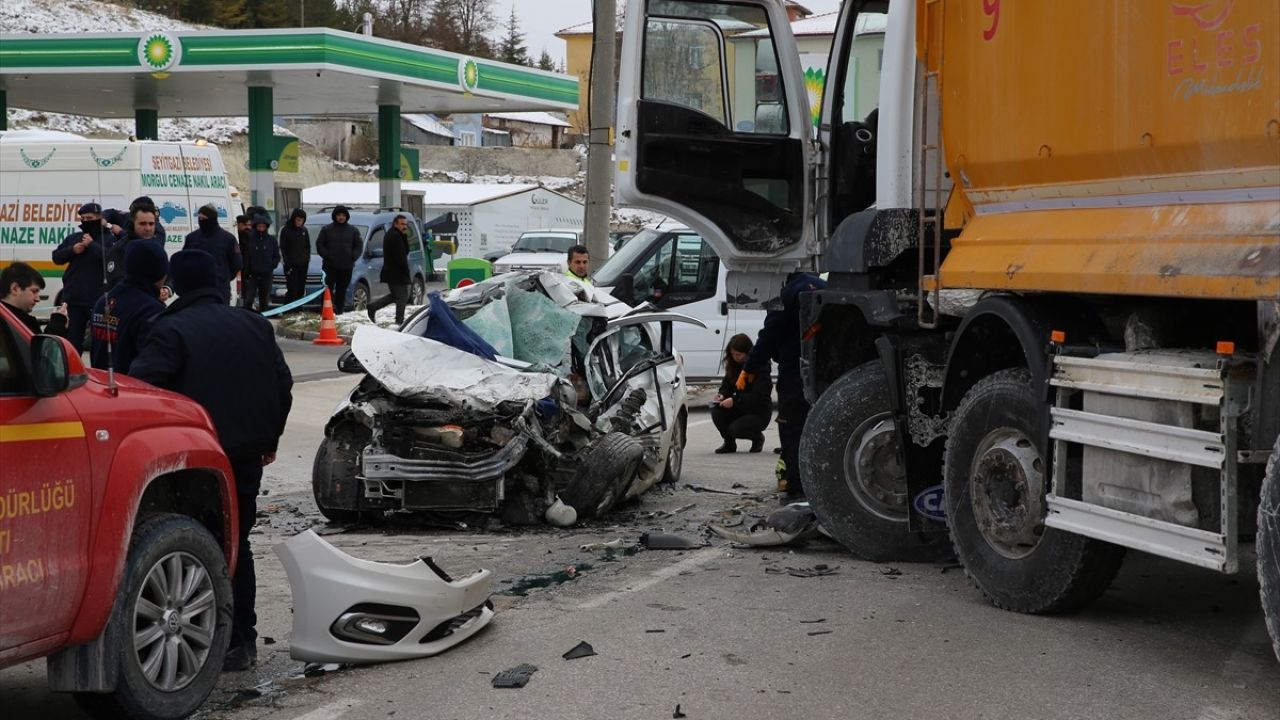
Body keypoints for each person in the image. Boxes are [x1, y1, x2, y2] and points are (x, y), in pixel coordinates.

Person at [129, 249, 293, 673]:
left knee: (194, 546)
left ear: (176, 284)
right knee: (238, 544)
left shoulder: (169, 329)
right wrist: (269, 437)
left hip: (194, 461)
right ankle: (242, 642)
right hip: (246, 454)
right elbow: (283, 383)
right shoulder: (254, 323)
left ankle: (201, 642)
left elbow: (144, 389)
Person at [742, 271, 826, 499]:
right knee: (820, 428)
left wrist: (749, 367)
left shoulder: (784, 293)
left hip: (794, 373)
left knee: (792, 430)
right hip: (827, 371)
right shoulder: (822, 285)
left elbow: (769, 335)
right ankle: (821, 483)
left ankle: (797, 486)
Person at [89, 240, 167, 374]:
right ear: (159, 272)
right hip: (130, 390)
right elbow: (154, 366)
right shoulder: (150, 310)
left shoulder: (103, 301)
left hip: (101, 386)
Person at [50, 202, 110, 353]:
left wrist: (92, 246)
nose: (86, 221)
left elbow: (111, 260)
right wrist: (72, 250)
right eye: (83, 218)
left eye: (89, 217)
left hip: (98, 298)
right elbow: (56, 257)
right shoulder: (75, 238)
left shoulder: (109, 239)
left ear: (99, 217)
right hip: (74, 297)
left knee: (99, 341)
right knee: (73, 341)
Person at [711, 333, 772, 454]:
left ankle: (757, 438)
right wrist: (722, 395)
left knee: (735, 429)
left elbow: (758, 396)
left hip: (758, 411)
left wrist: (735, 400)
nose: (735, 357)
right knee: (717, 410)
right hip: (739, 407)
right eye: (732, 354)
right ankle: (729, 443)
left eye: (738, 355)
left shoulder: (760, 367)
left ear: (747, 352)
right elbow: (726, 385)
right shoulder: (733, 366)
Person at [183, 205, 242, 304]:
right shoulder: (192, 238)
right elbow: (184, 261)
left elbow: (237, 263)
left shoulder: (228, 239)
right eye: (199, 218)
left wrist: (224, 277)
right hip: (196, 291)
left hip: (219, 291)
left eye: (204, 218)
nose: (201, 221)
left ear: (212, 219)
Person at [104, 206, 164, 291]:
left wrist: (167, 288)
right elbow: (112, 212)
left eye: (151, 224)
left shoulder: (158, 234)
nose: (147, 228)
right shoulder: (119, 248)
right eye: (142, 223)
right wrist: (103, 218)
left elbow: (164, 268)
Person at [366, 214, 412, 324]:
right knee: (402, 298)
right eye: (402, 224)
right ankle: (399, 321)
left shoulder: (397, 235)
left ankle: (373, 307)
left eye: (405, 224)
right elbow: (400, 256)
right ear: (395, 224)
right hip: (396, 272)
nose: (404, 227)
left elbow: (405, 251)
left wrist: (404, 236)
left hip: (394, 272)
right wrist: (406, 271)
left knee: (395, 296)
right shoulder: (394, 236)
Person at [1, 261, 68, 336]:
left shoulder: (11, 319)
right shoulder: (14, 324)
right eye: (34, 291)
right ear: (15, 289)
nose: (38, 299)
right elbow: (40, 346)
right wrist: (57, 323)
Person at [316, 205, 362, 314]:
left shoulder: (353, 230)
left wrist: (353, 256)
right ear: (334, 216)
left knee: (342, 291)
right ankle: (326, 313)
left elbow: (359, 245)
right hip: (329, 266)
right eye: (338, 215)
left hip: (346, 266)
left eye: (343, 215)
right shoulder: (327, 229)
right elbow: (319, 244)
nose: (341, 217)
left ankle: (339, 312)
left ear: (346, 217)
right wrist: (326, 255)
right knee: (327, 290)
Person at [241, 214, 280, 312]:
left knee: (264, 301)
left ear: (266, 227)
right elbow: (246, 257)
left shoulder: (271, 240)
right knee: (248, 300)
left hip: (266, 275)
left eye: (263, 226)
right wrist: (247, 272)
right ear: (255, 227)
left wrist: (271, 266)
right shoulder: (250, 239)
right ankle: (247, 319)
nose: (261, 228)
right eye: (259, 226)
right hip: (252, 275)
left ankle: (263, 320)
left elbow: (276, 256)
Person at [279, 208, 311, 303]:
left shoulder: (304, 230)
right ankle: (288, 308)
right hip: (290, 265)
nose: (299, 222)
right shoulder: (286, 230)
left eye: (301, 220)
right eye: (298, 220)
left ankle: (298, 308)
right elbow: (282, 248)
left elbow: (307, 246)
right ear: (294, 219)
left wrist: (307, 259)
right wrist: (286, 263)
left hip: (303, 264)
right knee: (292, 289)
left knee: (301, 288)